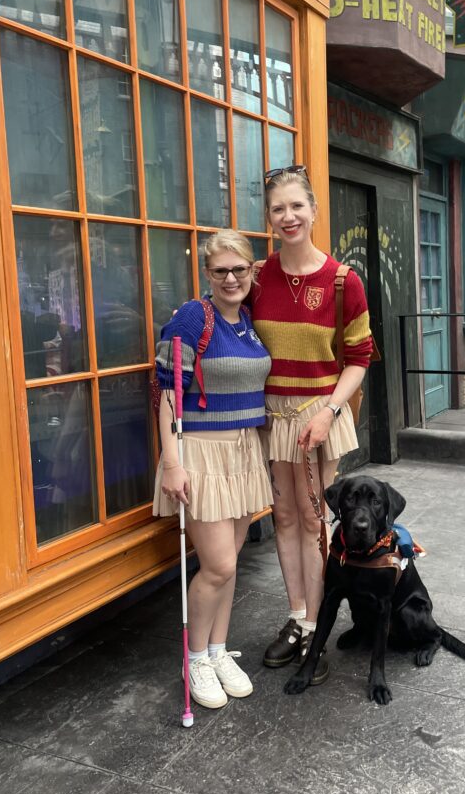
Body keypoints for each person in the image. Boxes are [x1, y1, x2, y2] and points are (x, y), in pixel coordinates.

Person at [253, 166, 373, 683]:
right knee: (282, 519)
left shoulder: (343, 281)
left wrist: (329, 411)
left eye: (296, 206)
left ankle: (318, 628)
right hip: (272, 416)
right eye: (278, 208)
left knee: (313, 521)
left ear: (314, 211)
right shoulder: (257, 277)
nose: (288, 217)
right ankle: (298, 618)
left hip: (319, 415)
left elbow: (359, 355)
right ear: (270, 217)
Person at [154, 230, 273, 710]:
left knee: (229, 565)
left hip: (244, 452)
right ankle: (196, 658)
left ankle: (220, 651)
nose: (230, 278)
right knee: (219, 563)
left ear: (251, 271)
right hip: (200, 453)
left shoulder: (247, 320)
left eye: (239, 269)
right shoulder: (191, 317)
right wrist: (171, 461)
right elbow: (167, 393)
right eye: (220, 270)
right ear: (207, 273)